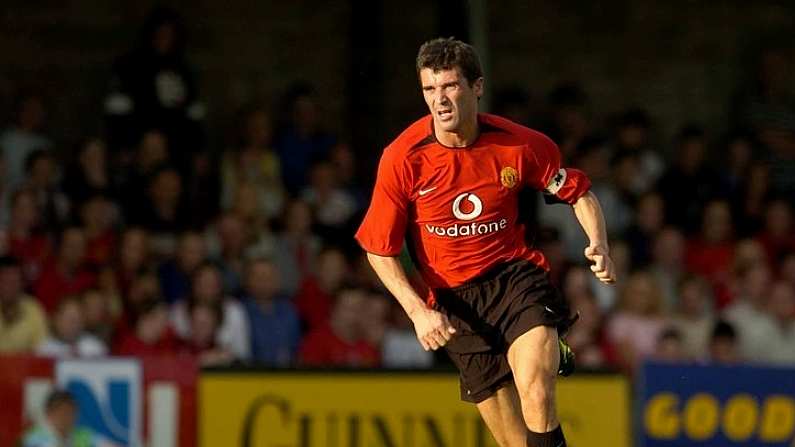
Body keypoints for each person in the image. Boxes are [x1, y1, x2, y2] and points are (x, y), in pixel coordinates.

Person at [355, 38, 615, 447]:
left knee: (536, 391)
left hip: (514, 280)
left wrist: (598, 242)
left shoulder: (519, 144)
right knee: (516, 442)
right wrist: (418, 313)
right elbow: (377, 248)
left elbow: (578, 193)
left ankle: (541, 349)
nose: (439, 101)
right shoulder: (403, 157)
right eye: (430, 90)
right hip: (455, 303)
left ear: (476, 87)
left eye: (450, 87)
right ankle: (546, 355)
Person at [21, 389, 96, 447]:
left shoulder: (83, 435)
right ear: (49, 414)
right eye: (61, 412)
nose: (66, 417)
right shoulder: (35, 439)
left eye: (70, 412)